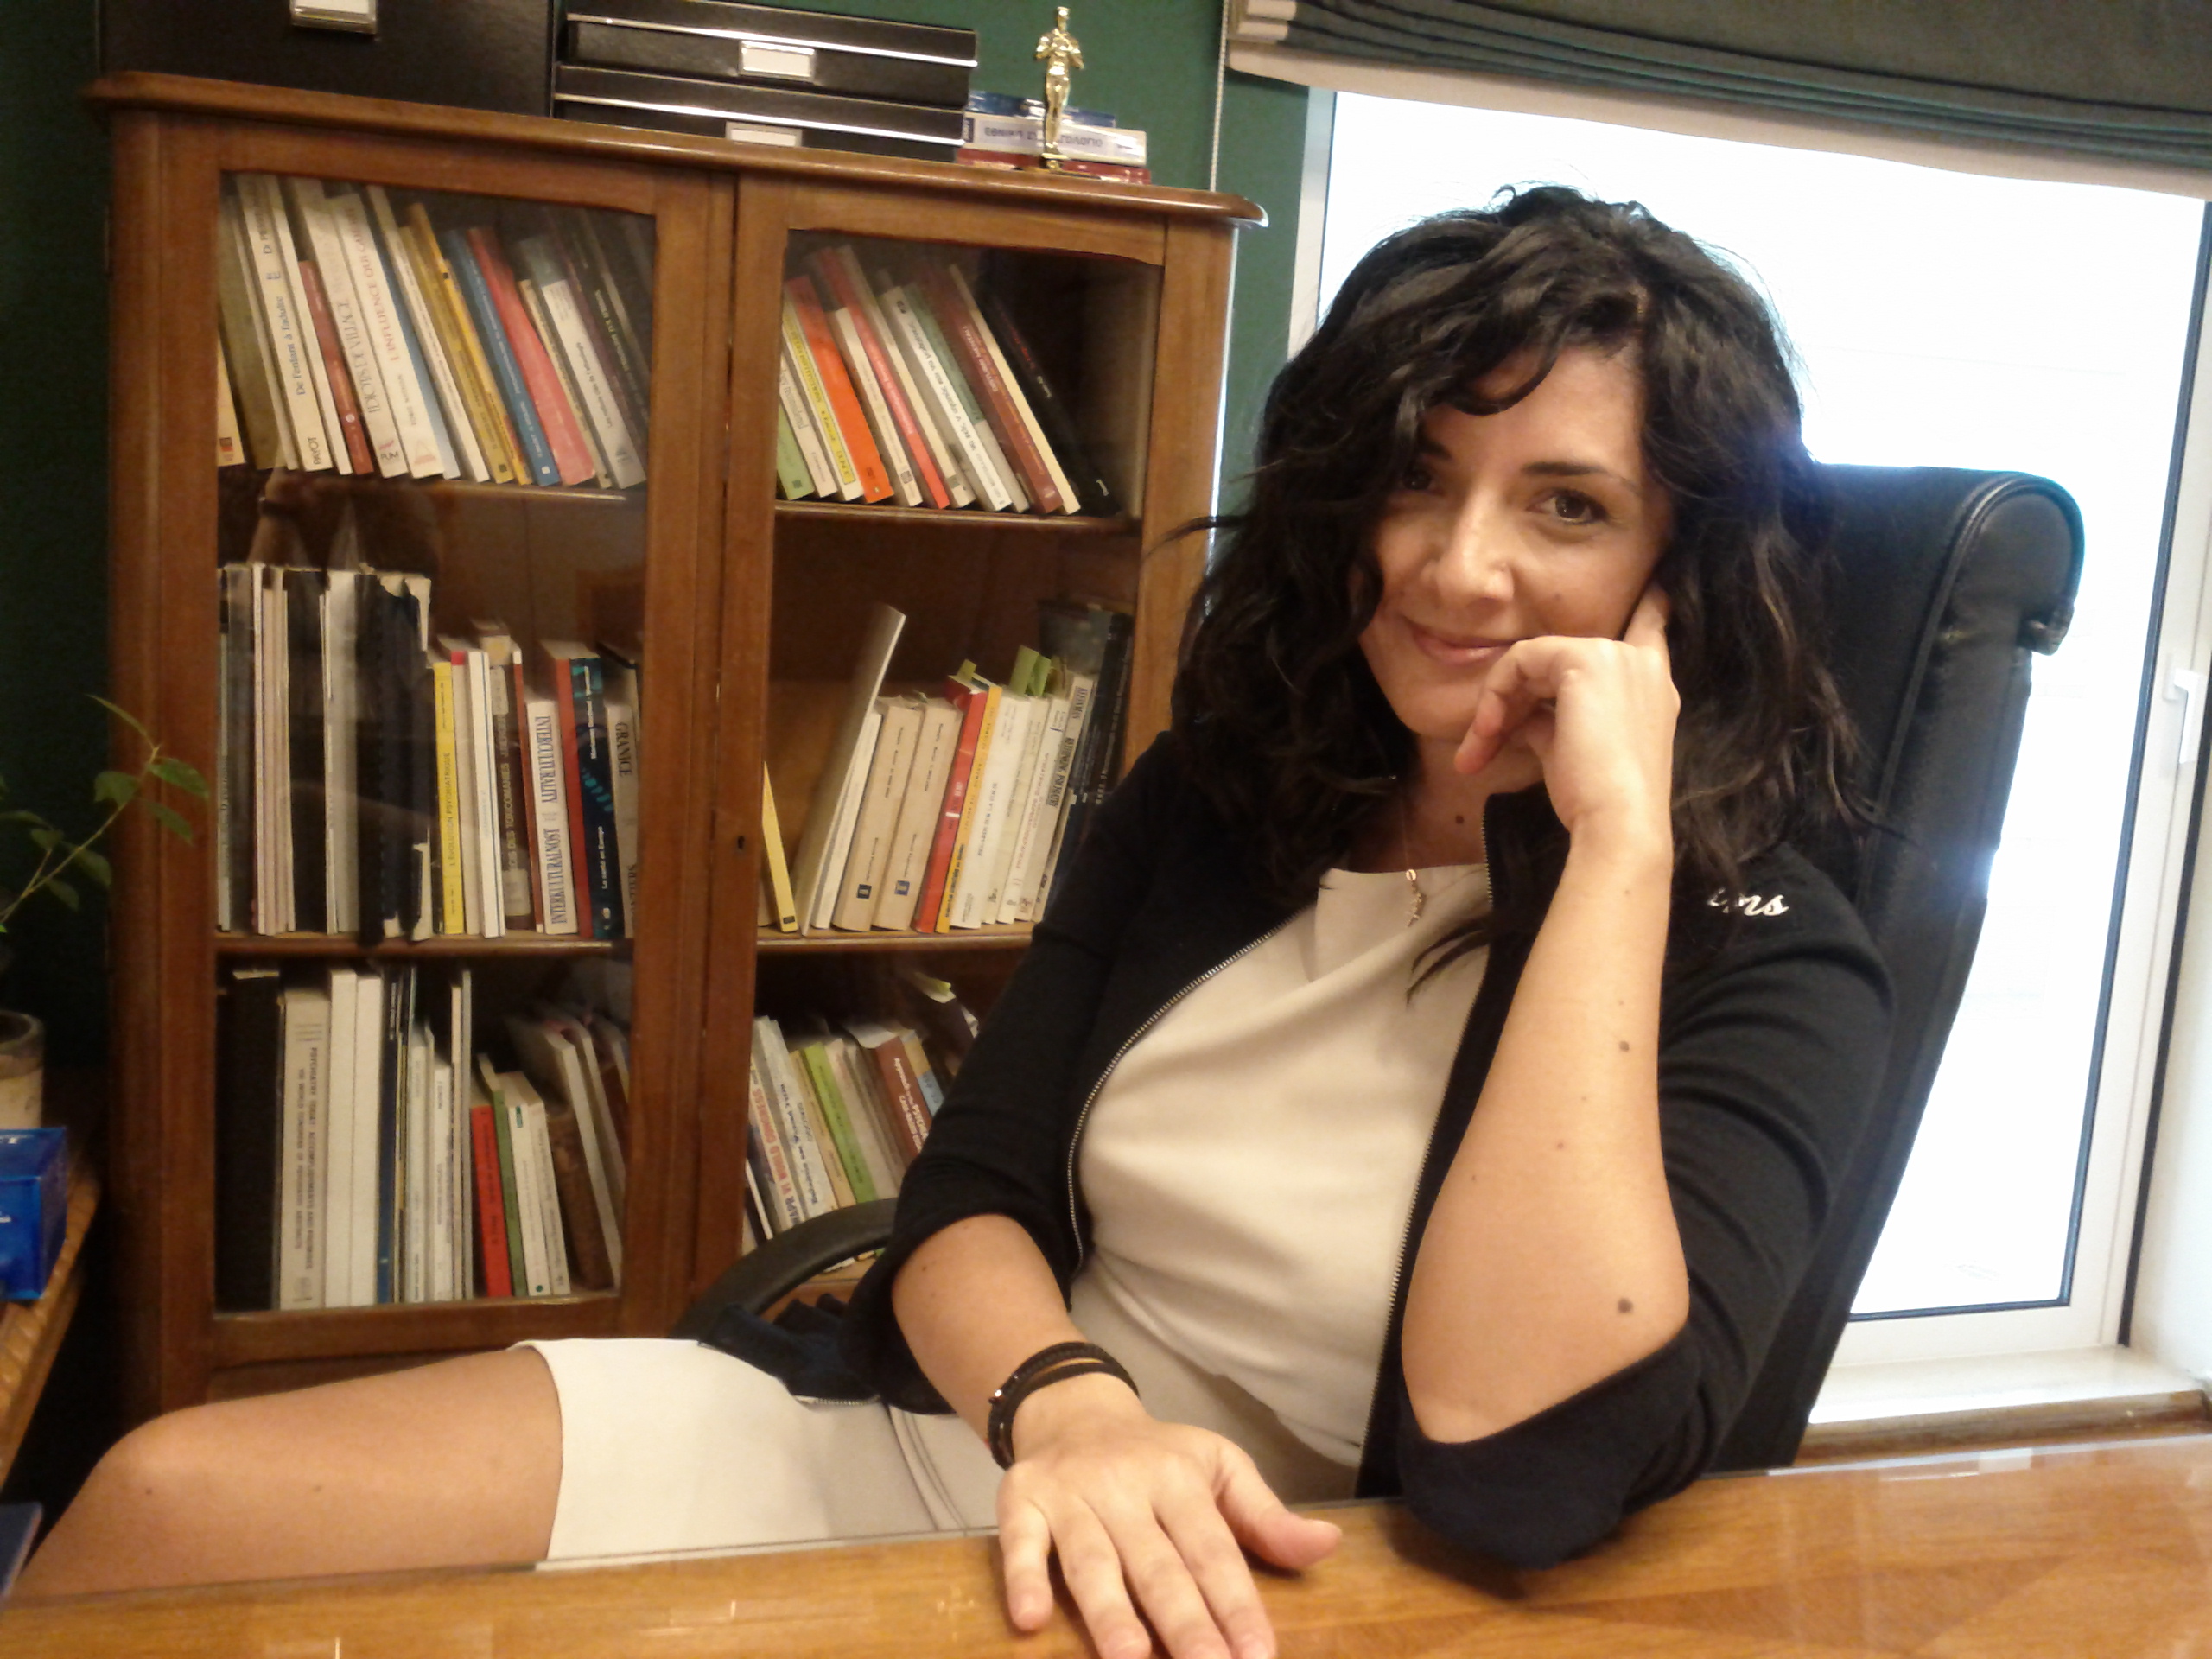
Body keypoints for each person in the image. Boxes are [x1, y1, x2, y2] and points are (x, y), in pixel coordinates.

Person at [21, 187, 1890, 1659]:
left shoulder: (1767, 956)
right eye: (1416, 476)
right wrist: (1072, 1415)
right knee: (172, 1501)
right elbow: (967, 1197)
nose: (1453, 566)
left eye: (1566, 506)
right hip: (990, 1436)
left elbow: (1518, 1464)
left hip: (1261, 1584)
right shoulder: (1227, 794)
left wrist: (1611, 855)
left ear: (1683, 572)